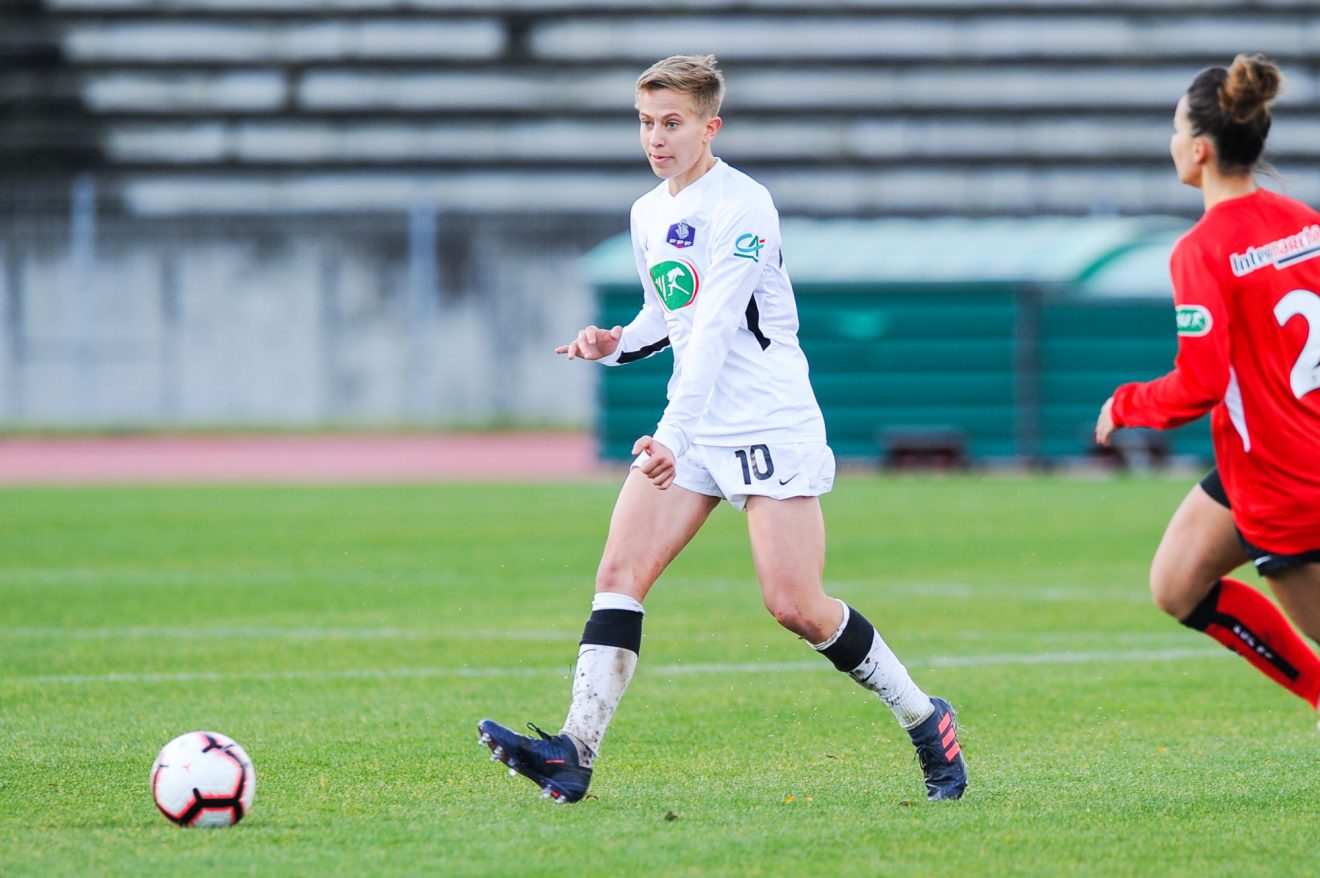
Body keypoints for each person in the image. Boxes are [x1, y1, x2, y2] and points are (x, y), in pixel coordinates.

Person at [477, 54, 967, 803]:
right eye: (646, 122)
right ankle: (573, 751)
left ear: (712, 125)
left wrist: (670, 434)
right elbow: (666, 316)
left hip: (767, 419)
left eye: (672, 123)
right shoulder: (648, 212)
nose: (656, 138)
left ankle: (924, 717)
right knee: (618, 576)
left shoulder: (745, 205)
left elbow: (710, 331)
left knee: (796, 606)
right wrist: (615, 343)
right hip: (696, 424)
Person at [1096, 53, 1320, 713]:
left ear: (1199, 151)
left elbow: (1199, 383)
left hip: (1281, 477)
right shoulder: (1304, 222)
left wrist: (1125, 403)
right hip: (1278, 447)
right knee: (1177, 583)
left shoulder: (1200, 249)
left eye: (1173, 131)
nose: (1169, 143)